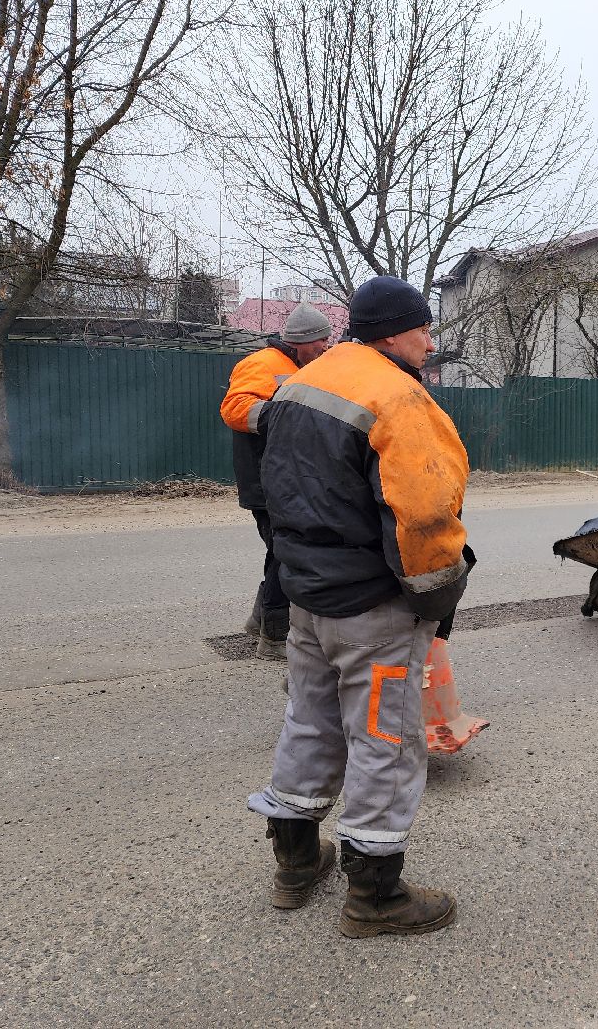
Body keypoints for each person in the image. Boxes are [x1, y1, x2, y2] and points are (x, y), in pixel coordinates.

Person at [247, 275, 472, 938]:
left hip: (309, 598)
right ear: (396, 331)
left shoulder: (302, 383)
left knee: (310, 722)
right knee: (384, 743)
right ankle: (375, 897)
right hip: (372, 609)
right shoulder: (397, 398)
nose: (431, 343)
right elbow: (426, 517)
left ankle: (294, 864)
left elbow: (275, 488)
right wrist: (435, 604)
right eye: (426, 330)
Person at [219, 303, 335, 659]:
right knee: (286, 554)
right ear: (301, 340)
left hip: (285, 478)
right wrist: (286, 416)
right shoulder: (263, 364)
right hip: (266, 479)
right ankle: (273, 636)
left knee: (280, 551)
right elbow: (234, 409)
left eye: (327, 341)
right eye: (319, 342)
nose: (324, 348)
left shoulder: (299, 366)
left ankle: (261, 621)